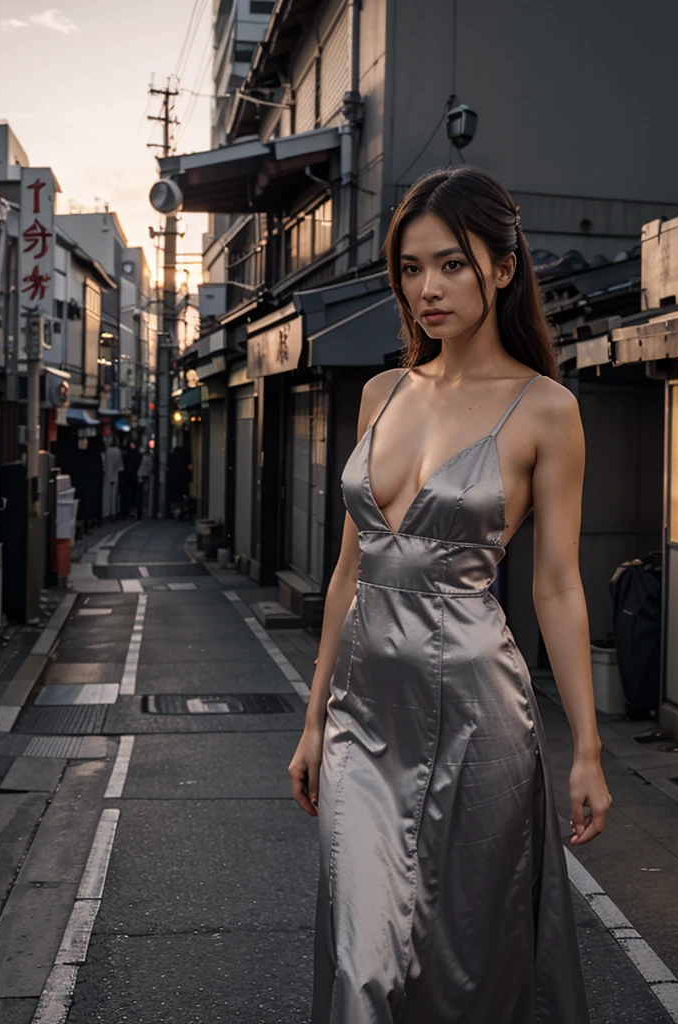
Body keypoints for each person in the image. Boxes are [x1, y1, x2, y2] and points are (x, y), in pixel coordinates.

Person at [289, 165, 610, 1023]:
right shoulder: (379, 394)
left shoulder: (547, 409)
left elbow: (556, 586)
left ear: (504, 268)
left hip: (481, 720)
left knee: (472, 969)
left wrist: (586, 748)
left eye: (452, 264)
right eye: (410, 267)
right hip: (364, 718)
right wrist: (315, 716)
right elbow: (349, 573)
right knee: (364, 969)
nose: (427, 288)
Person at [121, 439, 141, 519]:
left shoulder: (128, 455)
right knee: (132, 494)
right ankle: (130, 510)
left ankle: (129, 510)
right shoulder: (135, 455)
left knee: (131, 494)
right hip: (131, 476)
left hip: (130, 476)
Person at [137, 444, 153, 518]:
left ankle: (139, 510)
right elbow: (151, 467)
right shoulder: (148, 458)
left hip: (139, 475)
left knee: (139, 494)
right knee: (145, 493)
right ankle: (145, 509)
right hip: (145, 476)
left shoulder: (140, 457)